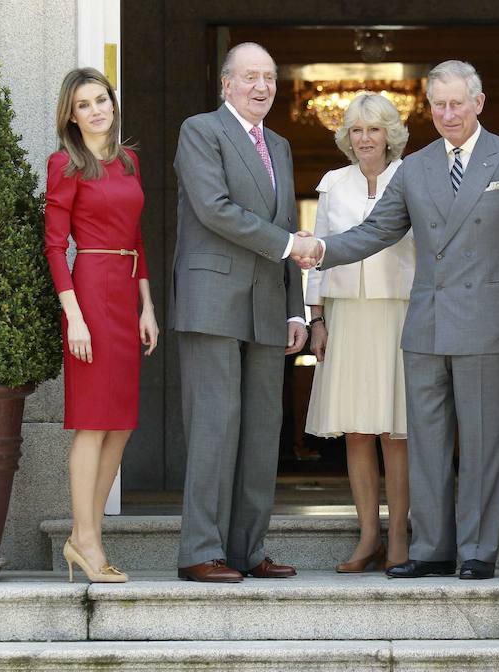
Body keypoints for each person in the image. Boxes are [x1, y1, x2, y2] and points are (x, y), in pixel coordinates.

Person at [294, 60, 499, 580]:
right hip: (426, 322)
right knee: (427, 442)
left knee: (481, 442)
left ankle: (477, 550)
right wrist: (321, 248)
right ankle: (432, 547)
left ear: (479, 103)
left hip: (490, 319)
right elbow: (376, 231)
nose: (448, 114)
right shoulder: (416, 166)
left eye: (458, 103)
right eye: (439, 105)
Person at [169, 42, 315, 583]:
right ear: (226, 84)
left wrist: (296, 309)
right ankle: (199, 551)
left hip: (267, 304)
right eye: (250, 77)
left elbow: (287, 220)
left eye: (270, 79)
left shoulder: (277, 143)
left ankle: (246, 549)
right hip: (212, 301)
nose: (262, 87)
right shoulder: (200, 130)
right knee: (215, 425)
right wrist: (287, 245)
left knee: (260, 429)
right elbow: (214, 209)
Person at [44, 67, 158, 583]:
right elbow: (53, 245)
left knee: (123, 422)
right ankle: (85, 537)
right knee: (93, 421)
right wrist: (74, 317)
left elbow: (136, 239)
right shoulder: (65, 165)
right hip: (88, 291)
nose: (96, 110)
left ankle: (83, 535)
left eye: (102, 100)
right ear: (71, 115)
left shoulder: (129, 160)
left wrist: (147, 307)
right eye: (84, 104)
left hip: (124, 290)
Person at [304, 95, 414, 572]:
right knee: (355, 432)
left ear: (390, 133)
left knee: (396, 432)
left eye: (374, 128)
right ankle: (368, 536)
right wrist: (317, 318)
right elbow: (314, 256)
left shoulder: (412, 177)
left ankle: (400, 538)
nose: (365, 138)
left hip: (399, 312)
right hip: (346, 313)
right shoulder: (333, 183)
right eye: (356, 130)